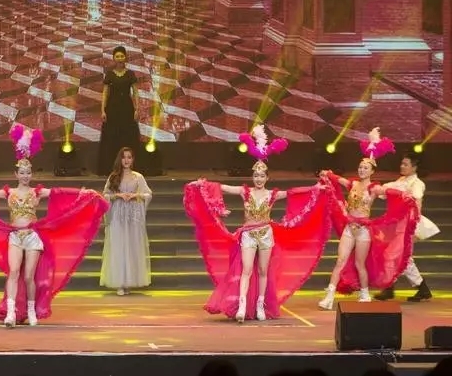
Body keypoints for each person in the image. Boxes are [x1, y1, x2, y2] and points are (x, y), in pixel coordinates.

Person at [0, 124, 110, 327]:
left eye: (28, 172)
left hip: (32, 237)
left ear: (31, 174)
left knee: (30, 276)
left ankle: (31, 310)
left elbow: (60, 192)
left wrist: (84, 193)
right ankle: (11, 312)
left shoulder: (36, 192)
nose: (25, 176)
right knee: (14, 272)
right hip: (15, 237)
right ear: (16, 174)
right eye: (22, 172)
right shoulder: (9, 193)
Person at [184, 125, 332, 322]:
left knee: (263, 271)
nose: (259, 179)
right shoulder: (245, 191)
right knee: (246, 270)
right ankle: (242, 305)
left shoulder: (272, 194)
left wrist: (316, 188)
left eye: (262, 176)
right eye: (256, 176)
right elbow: (222, 187)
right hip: (248, 234)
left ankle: (261, 304)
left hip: (266, 235)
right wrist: (201, 184)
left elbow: (294, 192)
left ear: (267, 177)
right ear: (252, 177)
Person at [318, 128, 420, 309]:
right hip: (349, 228)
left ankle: (364, 293)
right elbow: (337, 178)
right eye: (360, 167)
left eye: (365, 168)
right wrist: (327, 174)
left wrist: (405, 196)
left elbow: (390, 192)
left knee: (359, 264)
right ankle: (329, 296)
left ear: (372, 171)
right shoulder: (352, 184)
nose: (362, 169)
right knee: (340, 261)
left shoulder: (374, 188)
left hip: (363, 231)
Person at [374, 152, 438, 302]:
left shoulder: (417, 184)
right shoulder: (401, 180)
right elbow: (386, 190)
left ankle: (389, 288)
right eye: (402, 163)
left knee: (391, 255)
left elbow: (416, 203)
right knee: (405, 258)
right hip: (397, 224)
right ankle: (422, 289)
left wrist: (414, 226)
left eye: (405, 164)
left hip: (408, 225)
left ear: (414, 167)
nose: (402, 166)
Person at [100, 147, 152, 295]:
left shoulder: (138, 177)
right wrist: (118, 195)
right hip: (117, 216)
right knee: (119, 247)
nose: (126, 160)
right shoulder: (113, 177)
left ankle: (129, 282)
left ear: (133, 159)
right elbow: (105, 195)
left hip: (133, 217)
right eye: (124, 157)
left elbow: (148, 194)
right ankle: (119, 283)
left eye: (129, 157)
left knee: (132, 247)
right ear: (120, 159)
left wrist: (136, 195)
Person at [97, 45, 141, 175]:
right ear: (113, 58)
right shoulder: (110, 74)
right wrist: (103, 110)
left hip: (127, 108)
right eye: (117, 56)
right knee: (111, 137)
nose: (120, 58)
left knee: (128, 136)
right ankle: (111, 168)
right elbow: (105, 93)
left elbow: (135, 92)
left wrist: (137, 109)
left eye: (122, 56)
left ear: (125, 57)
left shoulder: (130, 74)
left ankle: (130, 167)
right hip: (112, 109)